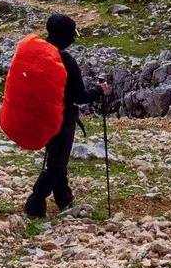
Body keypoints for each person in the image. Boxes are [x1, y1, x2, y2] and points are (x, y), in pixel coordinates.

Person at [24, 13, 109, 219]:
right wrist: (99, 90)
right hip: (62, 118)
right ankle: (34, 204)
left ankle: (64, 199)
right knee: (56, 164)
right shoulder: (67, 61)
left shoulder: (38, 55)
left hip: (42, 114)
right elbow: (80, 97)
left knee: (57, 158)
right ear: (67, 38)